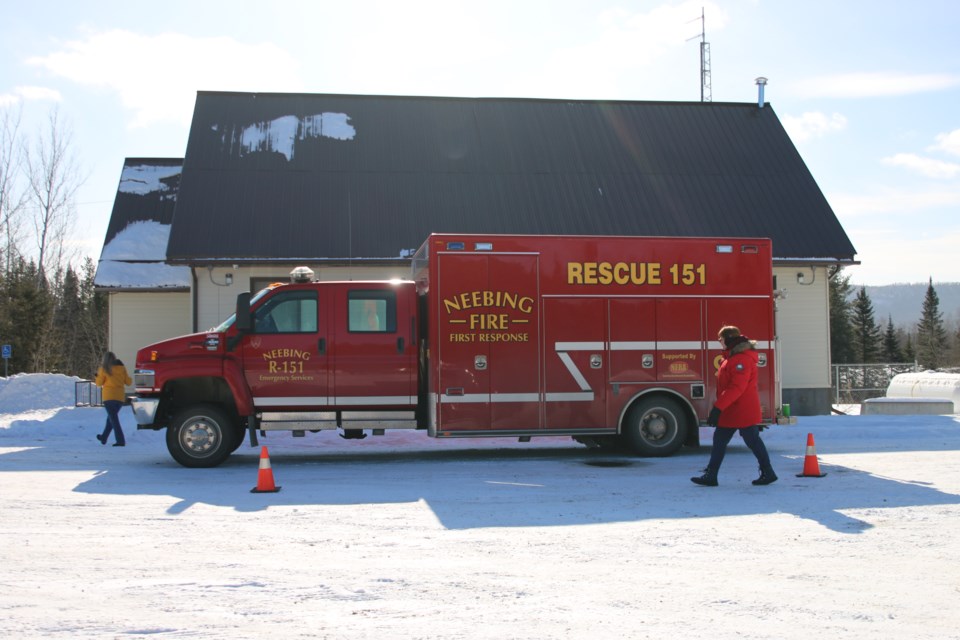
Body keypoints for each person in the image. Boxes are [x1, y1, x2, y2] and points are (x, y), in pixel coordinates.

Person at [691, 325, 777, 487]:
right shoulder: (732, 358)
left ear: (729, 339)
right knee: (721, 439)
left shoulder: (741, 360)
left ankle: (768, 471)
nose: (720, 343)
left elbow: (736, 388)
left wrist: (718, 407)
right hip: (733, 408)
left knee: (751, 440)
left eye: (721, 339)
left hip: (741, 409)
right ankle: (712, 474)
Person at [95, 351, 131, 447]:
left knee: (114, 419)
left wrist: (97, 376)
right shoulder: (121, 368)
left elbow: (99, 383)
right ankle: (104, 437)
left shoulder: (104, 369)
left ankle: (120, 441)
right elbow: (128, 382)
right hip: (119, 398)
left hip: (108, 397)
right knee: (111, 419)